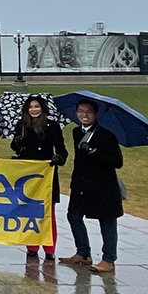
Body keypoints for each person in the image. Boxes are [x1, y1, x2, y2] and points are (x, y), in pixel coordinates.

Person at [59, 99, 123, 273]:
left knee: (107, 221)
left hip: (103, 186)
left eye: (88, 112)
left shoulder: (107, 135)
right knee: (73, 216)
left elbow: (117, 162)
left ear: (96, 115)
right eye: (80, 111)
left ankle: (109, 259)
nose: (84, 115)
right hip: (81, 185)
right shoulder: (76, 132)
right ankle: (83, 253)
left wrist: (95, 152)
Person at [12, 95, 68, 261]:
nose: (34, 110)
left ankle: (49, 247)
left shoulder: (53, 126)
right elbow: (15, 148)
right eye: (30, 107)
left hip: (46, 174)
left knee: (48, 213)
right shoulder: (21, 125)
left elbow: (62, 150)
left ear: (42, 108)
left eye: (37, 106)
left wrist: (59, 158)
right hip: (27, 175)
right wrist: (17, 141)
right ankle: (32, 246)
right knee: (30, 211)